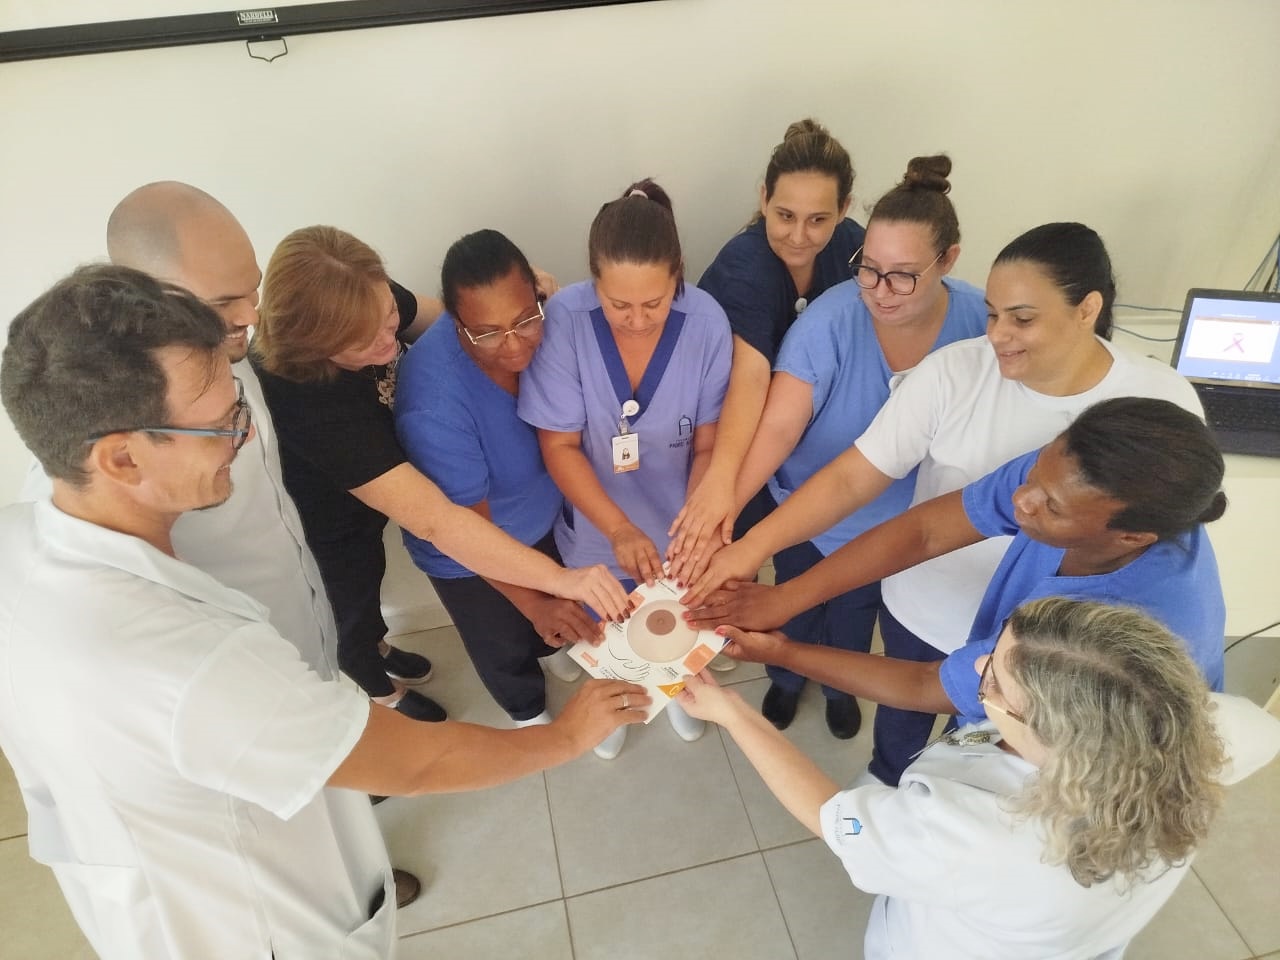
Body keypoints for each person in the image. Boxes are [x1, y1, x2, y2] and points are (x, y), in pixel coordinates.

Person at [0, 265, 650, 959]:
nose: (247, 440)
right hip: (258, 928)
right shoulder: (190, 666)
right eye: (224, 425)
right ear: (122, 458)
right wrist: (566, 737)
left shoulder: (22, 534)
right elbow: (415, 764)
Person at [686, 222, 1203, 784]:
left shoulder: (1149, 418)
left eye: (1022, 318)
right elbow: (917, 527)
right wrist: (770, 579)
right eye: (992, 314)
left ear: (1087, 309)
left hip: (1042, 663)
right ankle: (890, 781)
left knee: (983, 769)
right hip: (927, 612)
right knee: (901, 746)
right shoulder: (984, 411)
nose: (999, 335)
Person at [677, 597, 1280, 960]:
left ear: (1055, 740)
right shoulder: (1211, 728)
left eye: (992, 682)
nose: (977, 671)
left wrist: (731, 713)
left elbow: (834, 820)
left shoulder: (981, 838)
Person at [252, 226, 631, 726]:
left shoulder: (365, 295)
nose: (390, 341)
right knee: (353, 599)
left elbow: (446, 321)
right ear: (317, 345)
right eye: (364, 342)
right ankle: (375, 685)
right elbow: (438, 522)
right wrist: (555, 587)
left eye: (388, 318)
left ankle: (383, 647)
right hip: (333, 515)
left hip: (467, 504)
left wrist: (498, 321)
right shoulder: (318, 407)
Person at [693, 397, 1228, 739]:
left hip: (1078, 765)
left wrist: (783, 651)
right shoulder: (1068, 474)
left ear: (1131, 536)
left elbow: (930, 684)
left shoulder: (1104, 639)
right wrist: (786, 599)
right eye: (1034, 476)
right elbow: (926, 530)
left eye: (1051, 508)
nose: (1022, 500)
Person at [698, 154, 988, 739]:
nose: (880, 292)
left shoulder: (980, 322)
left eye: (902, 275)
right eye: (869, 270)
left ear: (949, 261)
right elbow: (778, 428)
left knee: (855, 617)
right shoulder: (828, 322)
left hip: (888, 531)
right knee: (794, 605)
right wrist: (722, 507)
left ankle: (838, 688)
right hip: (805, 514)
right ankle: (785, 680)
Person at [518, 179, 732, 757]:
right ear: (593, 282)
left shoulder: (708, 322)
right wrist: (616, 529)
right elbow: (559, 446)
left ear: (678, 277)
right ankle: (613, 703)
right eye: (618, 306)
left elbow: (710, 442)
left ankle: (678, 692)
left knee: (677, 622)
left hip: (676, 514)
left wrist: (694, 523)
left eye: (654, 304)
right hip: (597, 518)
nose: (637, 320)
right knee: (608, 628)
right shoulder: (564, 318)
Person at [395, 229, 596, 727]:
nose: (513, 346)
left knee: (552, 611)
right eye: (487, 332)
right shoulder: (433, 403)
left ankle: (550, 650)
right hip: (468, 551)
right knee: (502, 640)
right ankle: (527, 712)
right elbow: (468, 530)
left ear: (537, 291)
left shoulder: (547, 323)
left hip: (540, 514)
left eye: (525, 319)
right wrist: (533, 604)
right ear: (454, 320)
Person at [668, 118, 864, 567]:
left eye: (819, 220)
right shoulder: (745, 266)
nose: (799, 236)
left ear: (845, 208)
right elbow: (749, 377)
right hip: (732, 429)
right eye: (785, 216)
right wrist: (720, 483)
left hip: (801, 434)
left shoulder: (853, 247)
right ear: (763, 198)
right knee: (729, 545)